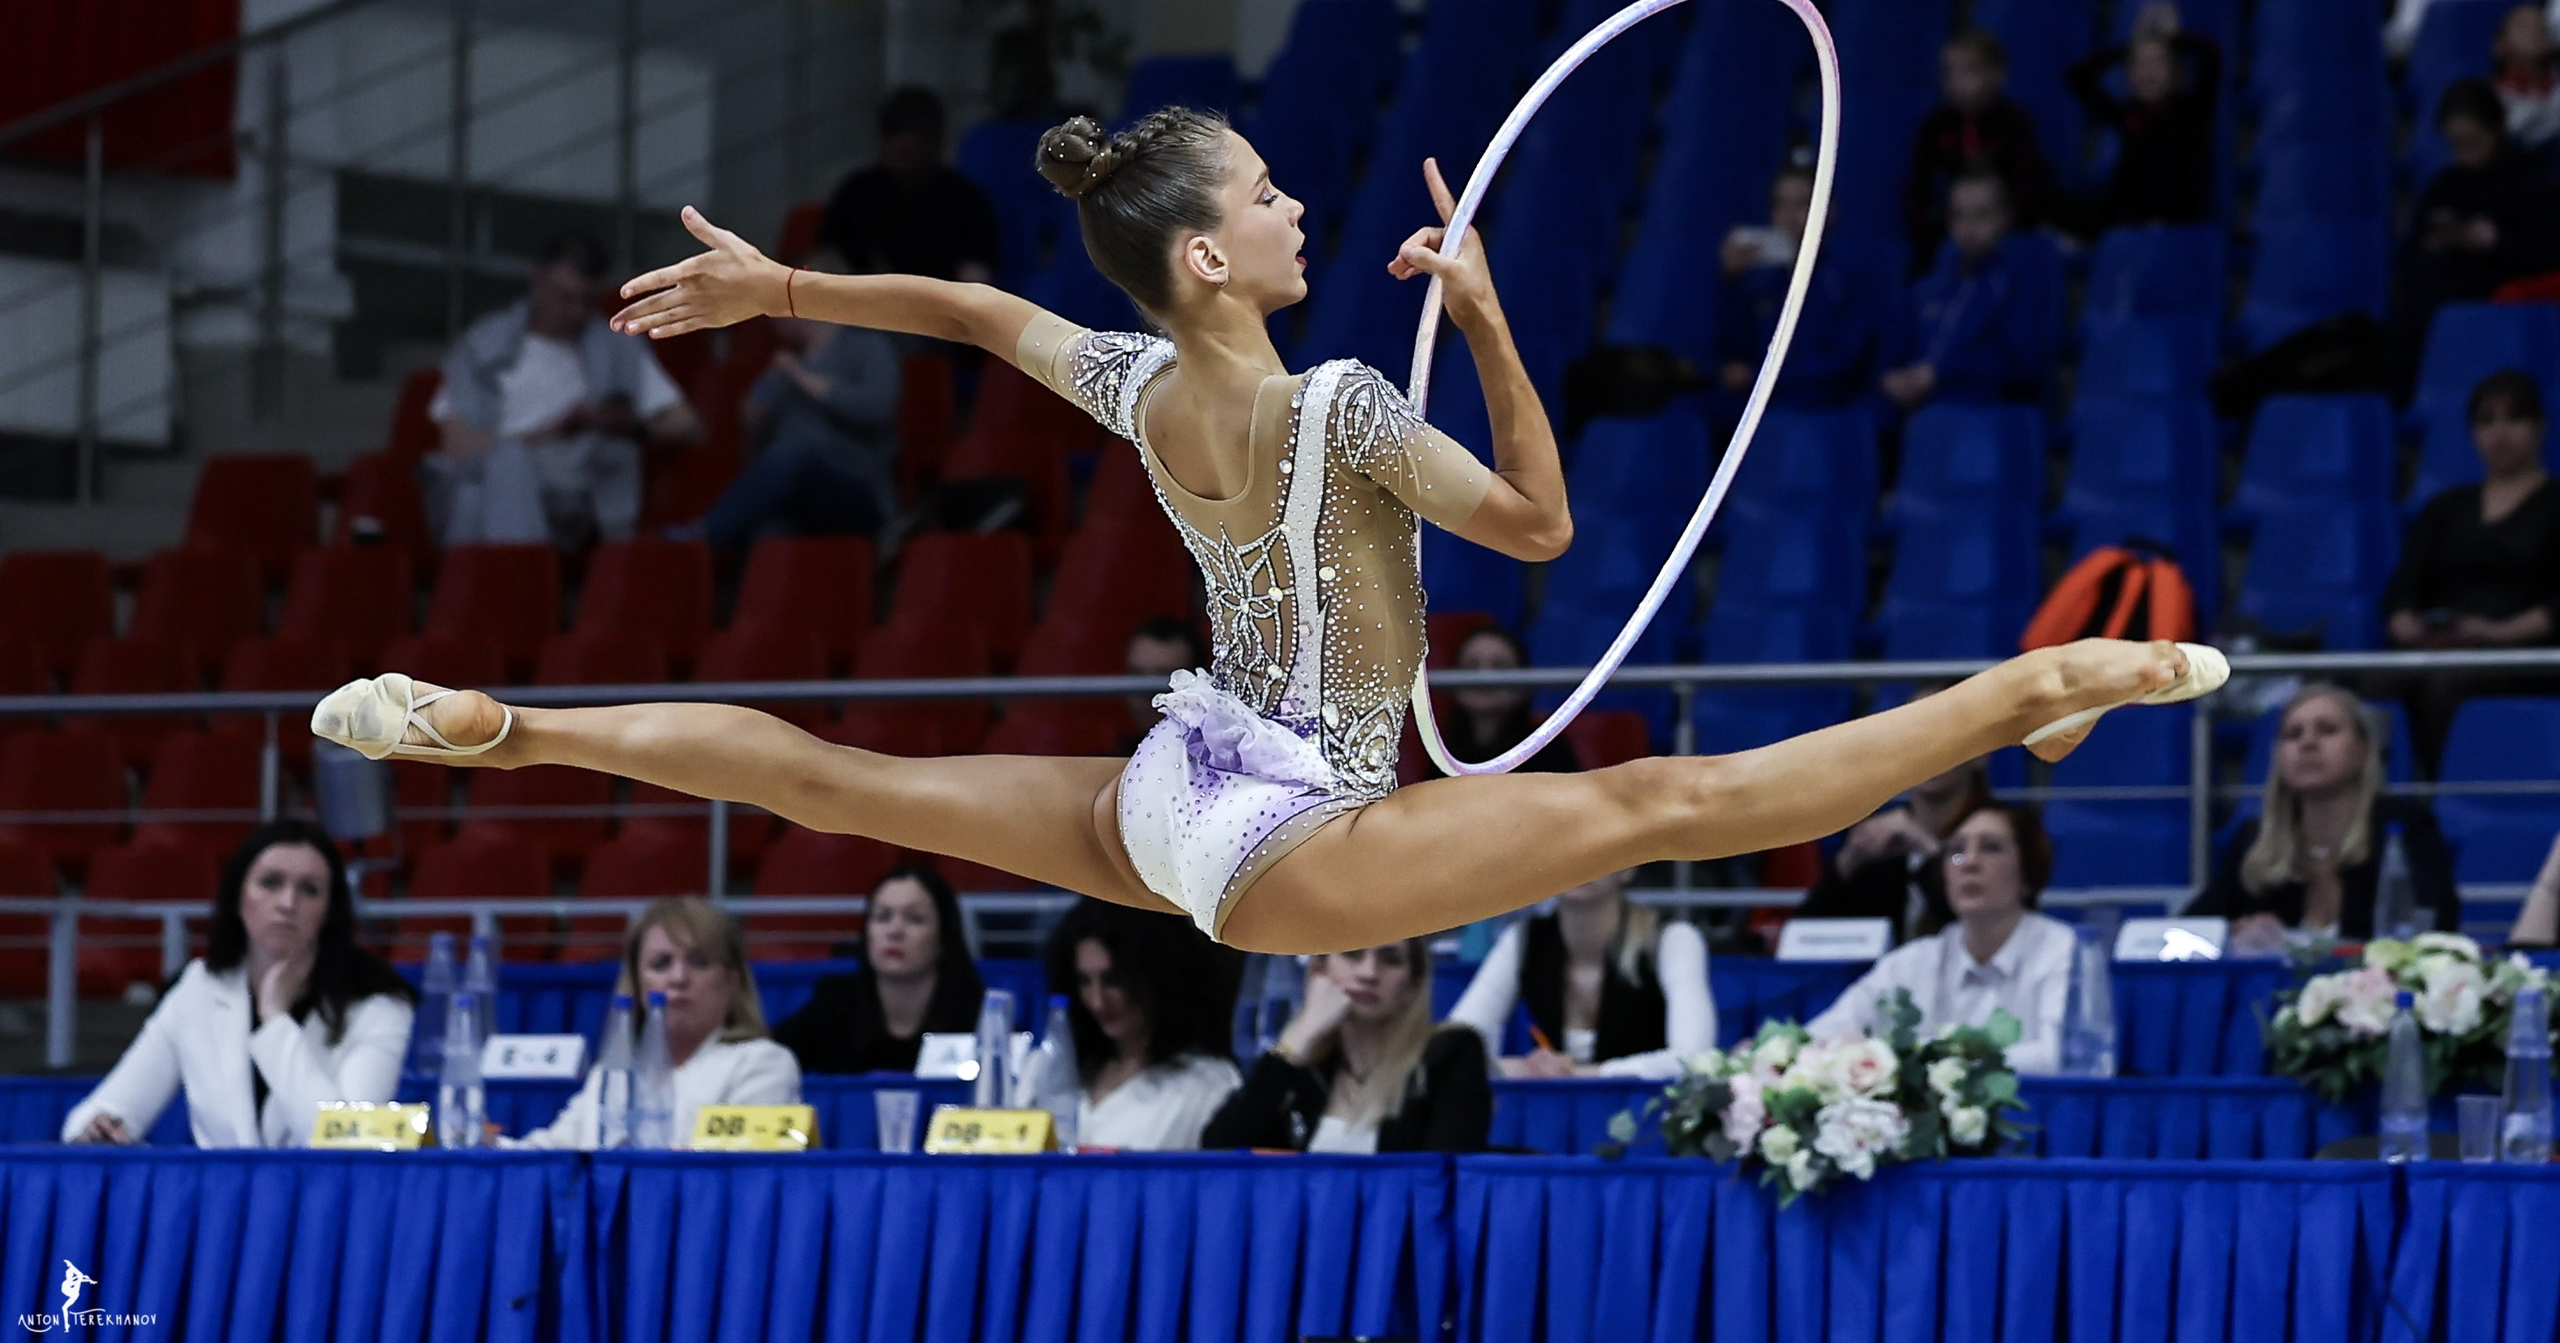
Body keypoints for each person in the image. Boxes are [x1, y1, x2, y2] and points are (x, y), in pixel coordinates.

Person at [311, 103, 2222, 960]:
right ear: (1212, 251)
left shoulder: (1142, 386)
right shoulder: (1345, 410)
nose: (1304, 208)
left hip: (1184, 777)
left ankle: (513, 726)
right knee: (1663, 808)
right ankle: (2040, 682)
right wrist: (1478, 315)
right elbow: (1549, 528)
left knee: (841, 777)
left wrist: (790, 287)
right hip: (1291, 808)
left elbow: (978, 314)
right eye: (1275, 194)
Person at [63, 820, 415, 1147]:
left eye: (309, 889)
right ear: (239, 897)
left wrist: (275, 1019)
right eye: (271, 883)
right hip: (219, 1207)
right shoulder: (199, 987)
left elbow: (350, 1144)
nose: (287, 902)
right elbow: (99, 1112)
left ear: (328, 911)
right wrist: (100, 1129)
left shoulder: (379, 1005)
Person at [426, 231, 703, 550]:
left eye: (587, 301)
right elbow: (455, 447)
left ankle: (480, 588)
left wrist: (624, 424)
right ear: (537, 282)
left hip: (569, 500)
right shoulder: (485, 344)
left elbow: (688, 426)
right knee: (492, 480)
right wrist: (548, 433)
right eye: (566, 298)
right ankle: (515, 585)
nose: (576, 312)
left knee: (477, 499)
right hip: (488, 480)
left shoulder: (615, 349)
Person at [1806, 800, 2074, 1074]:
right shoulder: (1913, 961)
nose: (1969, 862)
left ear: (2029, 874)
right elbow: (1818, 1039)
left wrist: (1929, 1057)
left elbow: (2062, 1056)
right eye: (1956, 851)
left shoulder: (2064, 951)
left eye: (1991, 848)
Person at [512, 897, 800, 1148]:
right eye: (661, 964)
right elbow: (551, 1153)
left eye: (699, 962)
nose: (678, 979)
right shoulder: (613, 1074)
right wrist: (489, 1144)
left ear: (731, 980)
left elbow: (748, 1170)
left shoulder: (764, 1063)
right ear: (637, 985)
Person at [2185, 686, 2458, 947]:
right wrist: (2231, 935)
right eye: (2293, 734)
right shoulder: (2255, 842)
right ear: (2279, 756)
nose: (2308, 742)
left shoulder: (2404, 828)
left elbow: (2435, 930)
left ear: (2363, 750)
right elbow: (2188, 933)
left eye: (2327, 730)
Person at [2384, 370, 2560, 763]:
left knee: (2448, 687)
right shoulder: (2445, 508)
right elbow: (2401, 592)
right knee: (2377, 683)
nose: (2500, 433)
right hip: (2444, 646)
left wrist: (2496, 632)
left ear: (2541, 427)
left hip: (2528, 655)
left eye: (2514, 418)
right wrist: (2410, 625)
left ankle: (2441, 803)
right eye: (2486, 420)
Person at [689, 250, 901, 553]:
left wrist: (802, 378)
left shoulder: (869, 348)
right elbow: (758, 452)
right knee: (766, 534)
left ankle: (701, 538)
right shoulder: (784, 367)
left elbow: (877, 410)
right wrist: (752, 420)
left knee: (795, 456)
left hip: (857, 492)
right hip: (800, 501)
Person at [1203, 939, 1490, 1152]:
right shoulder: (1305, 1071)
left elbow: (1443, 1172)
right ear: (1320, 972)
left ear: (1413, 985)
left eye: (1390, 959)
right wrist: (1298, 1037)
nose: (1368, 973)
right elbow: (1221, 1147)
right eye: (1352, 954)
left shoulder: (1449, 1055)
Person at [1448, 872, 1713, 1079]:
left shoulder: (1674, 940)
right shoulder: (1522, 940)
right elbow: (1451, 1046)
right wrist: (1517, 1068)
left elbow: (1694, 1059)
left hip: (1645, 1129)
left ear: (1628, 867)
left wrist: (1580, 1074)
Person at [1044, 899, 1240, 1150]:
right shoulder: (1054, 1068)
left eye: (1113, 980)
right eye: (1084, 981)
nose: (1098, 1000)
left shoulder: (1209, 1083)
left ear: (1156, 976)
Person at [2396, 81, 2560, 370]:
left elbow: (2548, 251)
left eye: (2474, 142)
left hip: (2504, 282)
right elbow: (2413, 247)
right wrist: (2436, 243)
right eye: (2456, 145)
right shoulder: (2446, 184)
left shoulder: (2533, 180)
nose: (2465, 154)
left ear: (2496, 130)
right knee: (2416, 282)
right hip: (2444, 288)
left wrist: (2497, 241)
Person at [770, 861, 983, 1074]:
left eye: (915, 919)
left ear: (944, 937)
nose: (895, 931)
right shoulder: (834, 1002)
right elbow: (769, 1057)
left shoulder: (977, 1013)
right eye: (883, 917)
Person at [1878, 165, 2059, 411]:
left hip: (1986, 416)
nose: (1969, 227)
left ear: (2005, 217)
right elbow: (1897, 354)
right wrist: (1893, 379)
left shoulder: (2017, 287)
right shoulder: (1926, 291)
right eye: (1958, 215)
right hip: (1922, 419)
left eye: (1981, 214)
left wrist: (1941, 374)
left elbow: (2020, 363)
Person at [1719, 159, 1887, 412]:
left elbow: (1847, 363)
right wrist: (1729, 282)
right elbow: (1735, 351)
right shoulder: (1758, 281)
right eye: (1780, 205)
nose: (1789, 217)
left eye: (1802, 204)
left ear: (1829, 210)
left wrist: (1768, 379)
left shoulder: (1846, 279)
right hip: (1767, 414)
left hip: (1826, 415)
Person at [1793, 754, 1990, 944]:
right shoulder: (1879, 846)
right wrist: (1847, 863)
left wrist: (1929, 852)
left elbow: (1989, 927)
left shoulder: (2003, 839)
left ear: (1981, 754)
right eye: (1918, 745)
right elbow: (1803, 941)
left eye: (1948, 743)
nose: (1932, 754)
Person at [2063, 0, 2223, 232]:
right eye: (2138, 64)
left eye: (2158, 62)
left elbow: (2211, 56)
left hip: (2179, 227)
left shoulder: (2194, 108)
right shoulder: (2127, 113)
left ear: (2176, 72)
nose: (2148, 72)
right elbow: (2077, 77)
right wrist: (2127, 46)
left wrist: (2175, 37)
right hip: (2129, 224)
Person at [820, 87, 1002, 286]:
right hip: (863, 305)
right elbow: (829, 261)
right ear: (882, 136)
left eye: (920, 134)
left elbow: (976, 278)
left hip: (940, 308)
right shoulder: (857, 193)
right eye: (896, 132)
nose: (907, 146)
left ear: (939, 140)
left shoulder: (965, 200)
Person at [1902, 30, 2056, 262]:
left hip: (2008, 230)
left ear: (1998, 73)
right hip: (1953, 229)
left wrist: (2004, 225)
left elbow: (2027, 183)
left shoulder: (2015, 122)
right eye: (1949, 72)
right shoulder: (1934, 125)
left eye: (1969, 71)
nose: (1958, 82)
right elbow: (1918, 186)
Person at [1429, 624, 1579, 774]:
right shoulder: (1442, 752)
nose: (1484, 678)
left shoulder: (1547, 748)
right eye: (1471, 666)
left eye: (1499, 666)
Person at [1117, 616, 1209, 753]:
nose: (1147, 692)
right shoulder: (1108, 760)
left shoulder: (1218, 763)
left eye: (1165, 677)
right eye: (1137, 674)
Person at [2492, 4, 2560, 161]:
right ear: (2499, 45)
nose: (2536, 29)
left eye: (2542, 25)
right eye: (2523, 25)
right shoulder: (2493, 100)